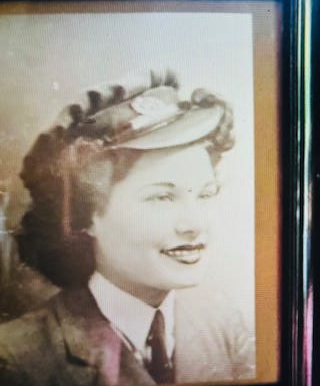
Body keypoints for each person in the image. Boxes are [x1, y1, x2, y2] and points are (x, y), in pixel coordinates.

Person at [0, 73, 256, 385]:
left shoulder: (232, 331)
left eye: (205, 194)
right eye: (162, 197)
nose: (194, 224)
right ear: (88, 215)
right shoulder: (15, 360)